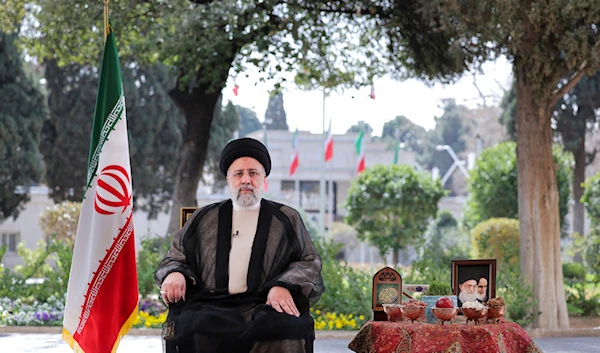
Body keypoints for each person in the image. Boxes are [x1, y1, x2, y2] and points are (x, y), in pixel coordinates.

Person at [155, 138, 325, 353]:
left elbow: (309, 261)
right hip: (211, 303)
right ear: (229, 179)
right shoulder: (204, 217)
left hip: (265, 304)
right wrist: (175, 274)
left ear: (265, 179)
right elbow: (175, 257)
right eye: (238, 173)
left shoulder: (285, 218)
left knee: (284, 329)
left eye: (253, 173)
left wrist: (283, 285)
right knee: (195, 327)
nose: (246, 180)